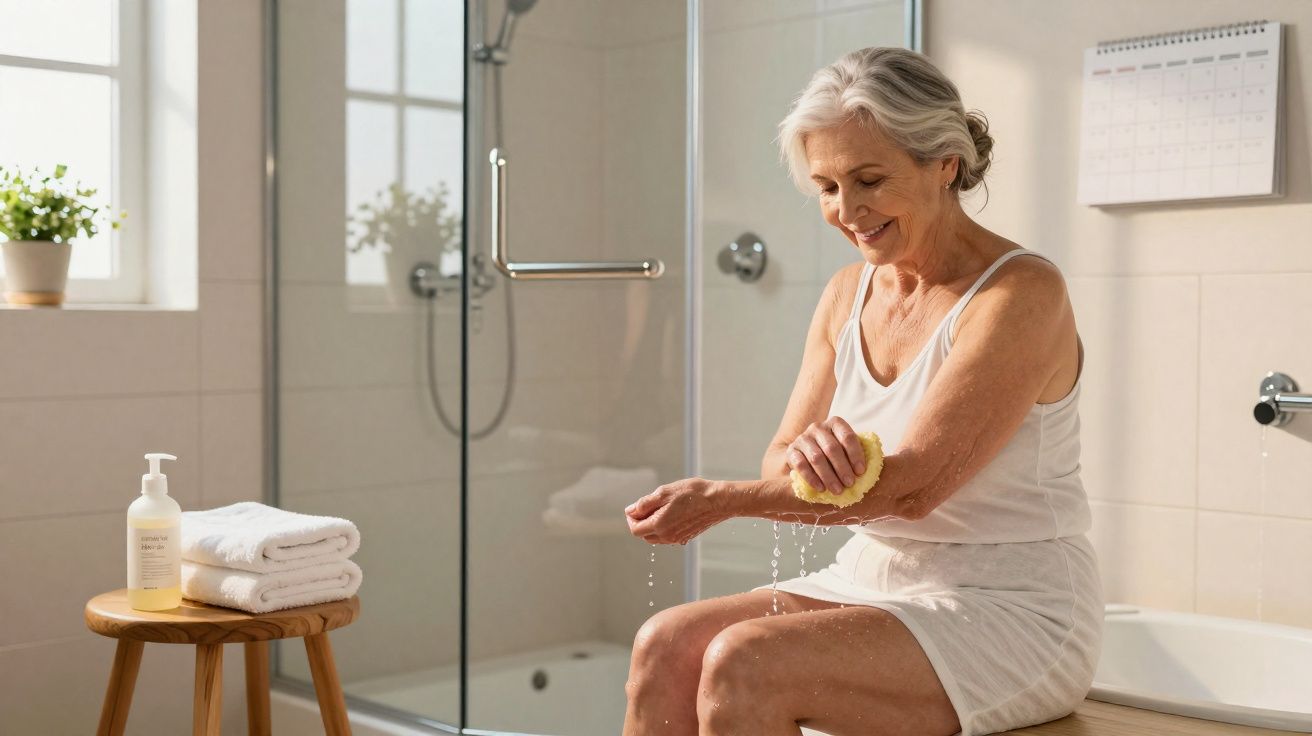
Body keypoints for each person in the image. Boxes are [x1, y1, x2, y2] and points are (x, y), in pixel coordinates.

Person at [622, 47, 1103, 736]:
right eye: (826, 187)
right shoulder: (846, 293)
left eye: (869, 179)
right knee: (663, 647)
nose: (847, 211)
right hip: (869, 578)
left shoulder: (1020, 294)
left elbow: (911, 490)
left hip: (1008, 604)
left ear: (945, 164)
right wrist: (807, 457)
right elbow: (778, 461)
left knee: (743, 662)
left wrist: (721, 501)